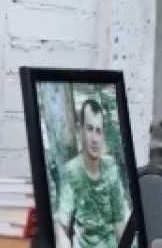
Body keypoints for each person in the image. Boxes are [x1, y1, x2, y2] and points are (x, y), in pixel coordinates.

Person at [54, 100, 131, 248]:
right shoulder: (71, 172)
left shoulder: (111, 169)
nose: (94, 139)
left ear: (103, 136)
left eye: (98, 131)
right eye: (89, 129)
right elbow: (61, 228)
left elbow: (121, 224)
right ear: (81, 130)